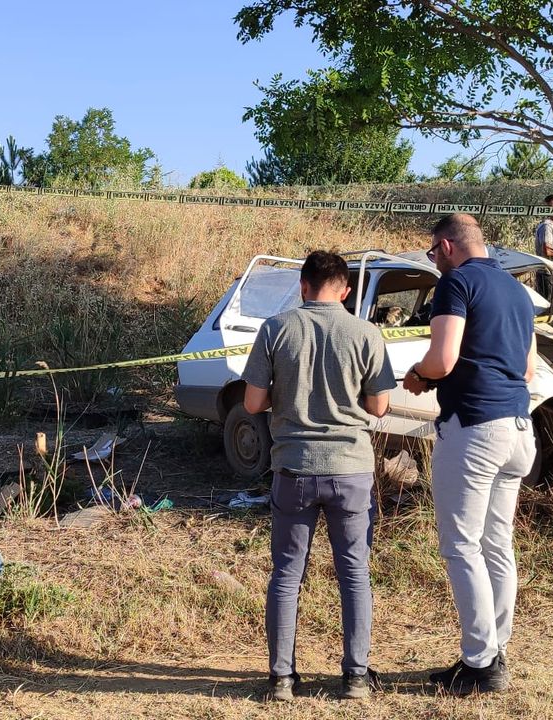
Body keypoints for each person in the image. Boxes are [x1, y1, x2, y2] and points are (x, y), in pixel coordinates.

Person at [241, 250, 397, 702]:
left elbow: (252, 403)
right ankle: (355, 677)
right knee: (355, 573)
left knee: (287, 574)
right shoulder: (366, 333)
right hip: (351, 469)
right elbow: (379, 406)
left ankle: (282, 679)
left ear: (302, 286)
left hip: (294, 467)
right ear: (346, 291)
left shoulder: (275, 329)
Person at [403, 214, 537, 696]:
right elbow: (528, 370)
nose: (434, 261)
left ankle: (480, 663)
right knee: (496, 543)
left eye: (432, 253)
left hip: (475, 427)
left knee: (461, 545)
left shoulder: (456, 283)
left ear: (446, 246)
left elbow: (443, 359)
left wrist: (419, 376)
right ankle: (495, 649)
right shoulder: (518, 291)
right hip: (519, 427)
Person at [533, 194, 553, 297]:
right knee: (547, 302)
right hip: (546, 273)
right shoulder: (547, 226)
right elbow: (547, 250)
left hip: (552, 273)